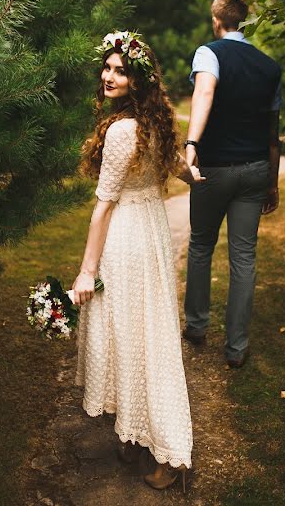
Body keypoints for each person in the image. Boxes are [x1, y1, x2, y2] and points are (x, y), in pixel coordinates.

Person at [72, 30, 198, 491]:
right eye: (106, 68)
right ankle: (133, 428)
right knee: (144, 331)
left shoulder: (125, 130)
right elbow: (177, 166)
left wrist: (87, 271)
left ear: (137, 80)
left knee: (133, 334)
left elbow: (103, 205)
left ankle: (164, 448)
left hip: (127, 236)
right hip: (151, 233)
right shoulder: (154, 123)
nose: (108, 76)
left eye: (119, 71)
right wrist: (193, 172)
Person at [182, 0, 282, 369]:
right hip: (256, 170)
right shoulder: (270, 67)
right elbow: (273, 135)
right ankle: (237, 348)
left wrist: (192, 141)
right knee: (244, 257)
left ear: (216, 20)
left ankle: (197, 326)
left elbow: (205, 90)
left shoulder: (209, 53)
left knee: (201, 246)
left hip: (215, 170)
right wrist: (272, 182)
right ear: (243, 21)